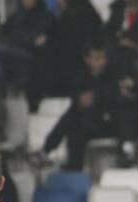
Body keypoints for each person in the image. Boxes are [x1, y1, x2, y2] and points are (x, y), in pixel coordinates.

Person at [43, 42, 119, 170]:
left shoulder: (113, 76)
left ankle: (48, 148)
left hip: (108, 123)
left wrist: (95, 98)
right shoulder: (80, 78)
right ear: (87, 60)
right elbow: (75, 99)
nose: (101, 62)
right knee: (75, 120)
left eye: (102, 57)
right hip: (85, 123)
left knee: (73, 117)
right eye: (96, 58)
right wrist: (81, 102)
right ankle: (68, 161)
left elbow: (115, 99)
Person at [29, 0, 103, 109]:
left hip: (67, 70)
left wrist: (45, 42)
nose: (58, 0)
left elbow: (61, 46)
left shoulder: (69, 20)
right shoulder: (92, 16)